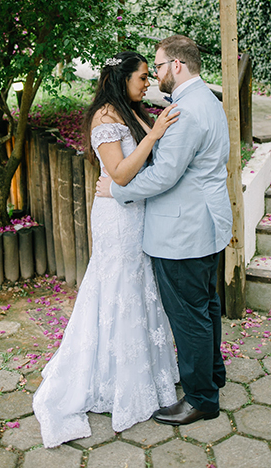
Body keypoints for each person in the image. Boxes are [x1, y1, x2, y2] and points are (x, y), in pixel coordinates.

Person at [33, 51, 182, 447]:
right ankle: (114, 379)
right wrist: (153, 135)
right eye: (142, 77)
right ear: (123, 79)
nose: (148, 83)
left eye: (150, 76)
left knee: (138, 285)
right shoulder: (105, 117)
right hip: (117, 218)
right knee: (117, 286)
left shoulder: (130, 110)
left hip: (133, 211)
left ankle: (144, 371)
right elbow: (118, 172)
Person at [95, 35, 232, 426]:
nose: (154, 76)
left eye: (157, 67)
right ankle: (212, 376)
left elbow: (165, 175)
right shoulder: (206, 99)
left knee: (190, 316)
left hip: (182, 231)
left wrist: (117, 189)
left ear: (176, 65)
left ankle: (202, 398)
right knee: (206, 307)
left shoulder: (187, 111)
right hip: (205, 223)